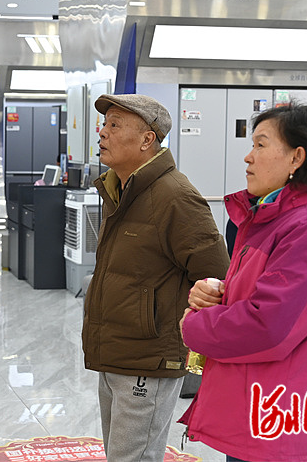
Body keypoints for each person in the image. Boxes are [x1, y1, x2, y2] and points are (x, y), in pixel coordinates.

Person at [179, 101, 307, 462]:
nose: (248, 157)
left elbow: (268, 326)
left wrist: (194, 325)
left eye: (260, 144)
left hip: (276, 416)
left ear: (296, 158)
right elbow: (260, 297)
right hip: (254, 406)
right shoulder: (270, 218)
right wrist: (216, 294)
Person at [82, 94, 229, 462]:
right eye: (105, 124)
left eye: (115, 125)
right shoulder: (119, 190)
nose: (103, 132)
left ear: (147, 139)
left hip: (149, 361)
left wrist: (195, 347)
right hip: (116, 353)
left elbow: (215, 275)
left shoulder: (175, 196)